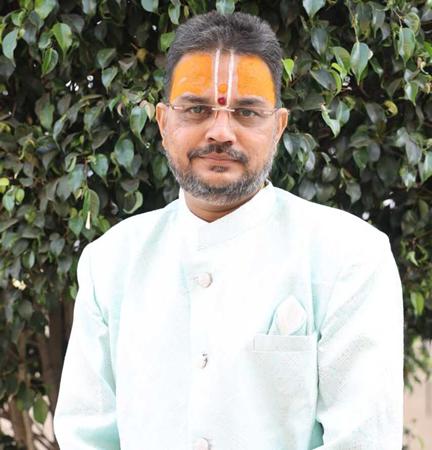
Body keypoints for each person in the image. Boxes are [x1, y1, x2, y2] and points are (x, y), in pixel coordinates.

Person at [54, 11, 404, 450]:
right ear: (163, 122)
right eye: (197, 109)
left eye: (246, 112)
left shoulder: (348, 256)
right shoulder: (111, 262)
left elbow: (362, 439)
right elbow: (85, 436)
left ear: (278, 127)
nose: (220, 132)